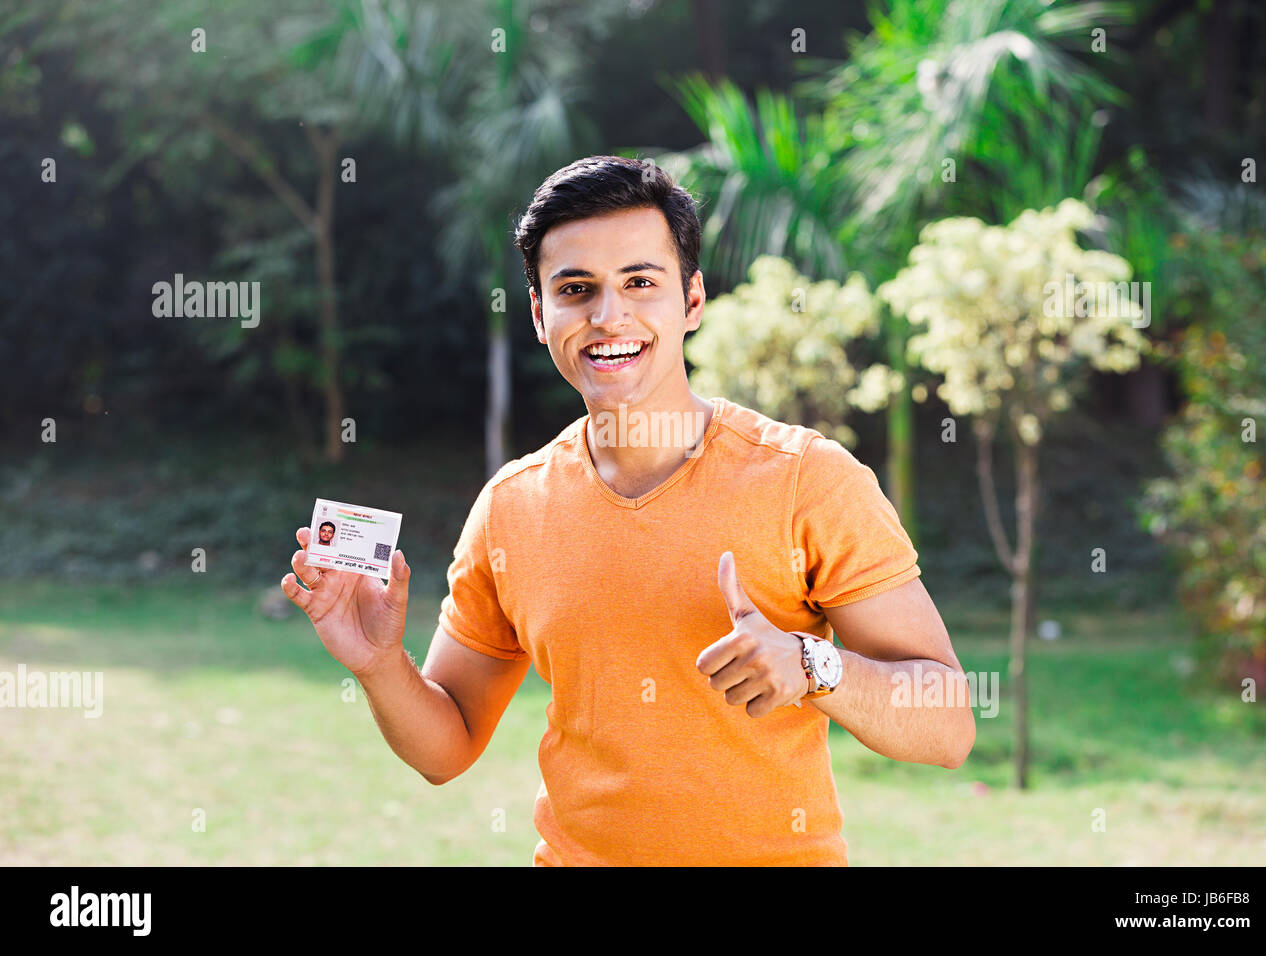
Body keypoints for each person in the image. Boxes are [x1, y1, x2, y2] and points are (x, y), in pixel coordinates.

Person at [281, 155, 974, 866]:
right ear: (540, 315)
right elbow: (447, 746)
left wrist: (811, 662)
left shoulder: (808, 480)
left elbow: (948, 727)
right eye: (575, 289)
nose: (608, 316)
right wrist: (377, 665)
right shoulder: (511, 507)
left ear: (693, 301)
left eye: (640, 282)